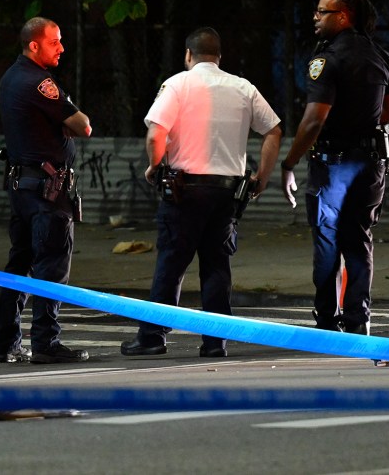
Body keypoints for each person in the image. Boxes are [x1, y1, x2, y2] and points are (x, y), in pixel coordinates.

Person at [121, 27, 282, 358]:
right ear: (219, 57)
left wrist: (154, 167)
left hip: (185, 191)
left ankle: (152, 337)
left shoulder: (178, 84)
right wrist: (262, 178)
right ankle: (214, 342)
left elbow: (155, 135)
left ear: (188, 55)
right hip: (227, 193)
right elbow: (274, 130)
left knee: (171, 263)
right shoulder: (243, 87)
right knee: (217, 265)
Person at [279, 0, 389, 335]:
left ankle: (327, 322)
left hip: (334, 164)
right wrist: (363, 120)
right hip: (371, 163)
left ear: (343, 15)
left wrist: (289, 162)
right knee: (359, 240)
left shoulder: (326, 60)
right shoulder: (381, 56)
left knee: (328, 241)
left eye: (322, 12)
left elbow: (314, 120)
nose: (315, 17)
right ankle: (357, 319)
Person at [0, 17, 92, 364]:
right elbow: (84, 126)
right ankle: (46, 343)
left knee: (18, 264)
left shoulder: (9, 77)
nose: (62, 48)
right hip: (48, 193)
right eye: (54, 42)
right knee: (51, 267)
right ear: (33, 45)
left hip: (22, 188)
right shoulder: (40, 83)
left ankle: (5, 342)